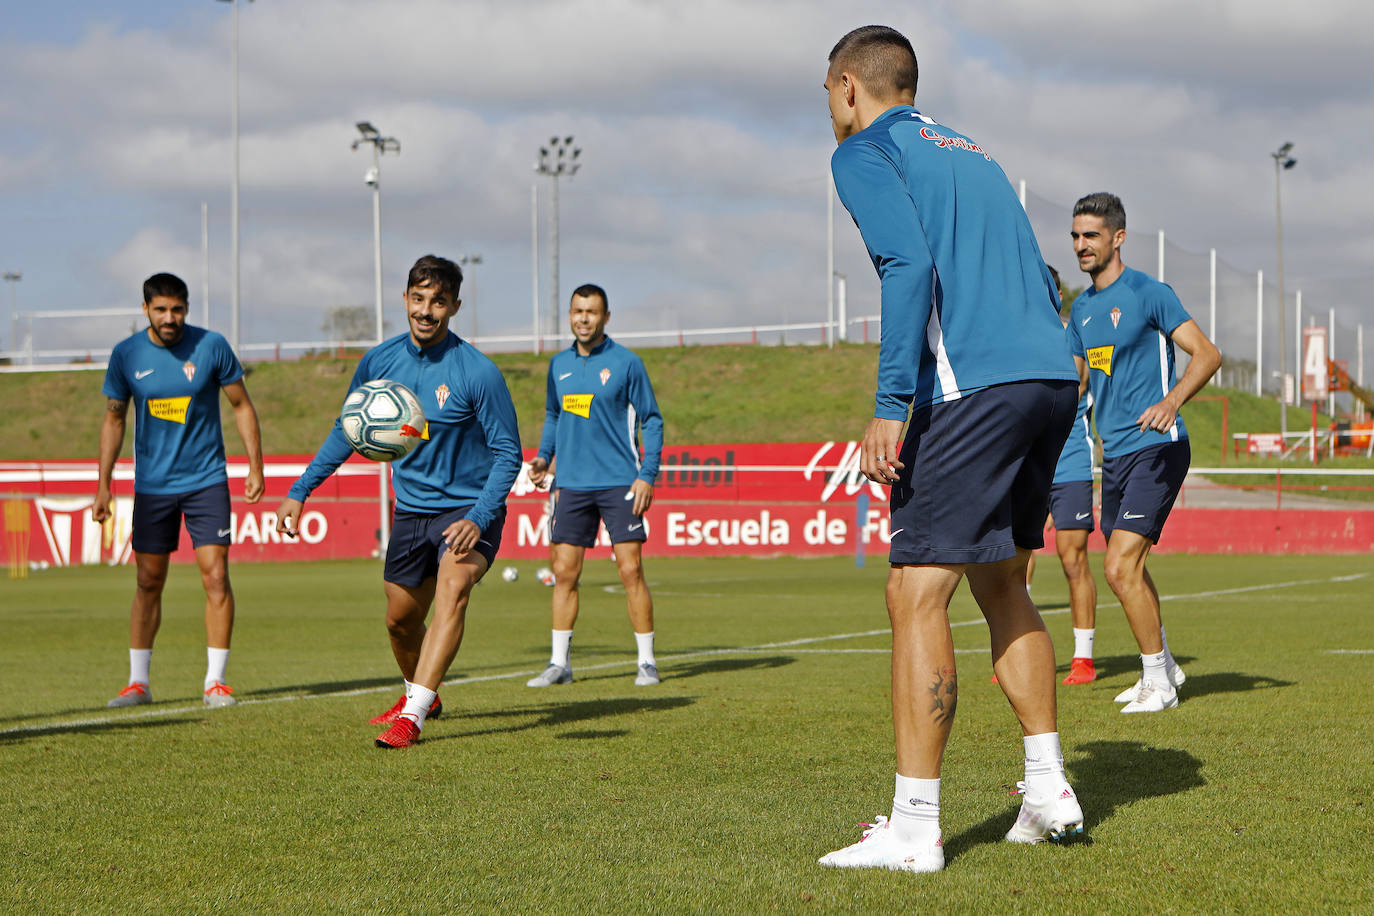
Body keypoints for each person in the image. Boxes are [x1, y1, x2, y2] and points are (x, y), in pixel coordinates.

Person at [817, 26, 1084, 874]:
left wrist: (890, 403)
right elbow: (1038, 275)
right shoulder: (974, 153)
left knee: (914, 591)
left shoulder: (865, 151)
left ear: (848, 85)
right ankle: (1048, 787)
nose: (829, 110)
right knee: (1002, 581)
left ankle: (914, 827)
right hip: (1049, 377)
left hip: (973, 386)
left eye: (827, 95)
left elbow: (907, 265)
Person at [274, 255, 521, 748]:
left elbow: (508, 453)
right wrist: (300, 490)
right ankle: (423, 692)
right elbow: (348, 430)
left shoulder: (478, 372)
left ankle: (412, 716)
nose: (426, 310)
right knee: (400, 622)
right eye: (418, 298)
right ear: (405, 299)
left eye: (438, 301)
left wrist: (479, 517)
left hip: (468, 510)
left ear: (454, 306)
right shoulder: (379, 362)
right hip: (410, 510)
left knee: (454, 588)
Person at [1067, 192, 1221, 713]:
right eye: (1075, 236)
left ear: (1118, 237)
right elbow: (1076, 381)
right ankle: (1164, 666)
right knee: (1129, 566)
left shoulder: (1149, 293)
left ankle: (1158, 682)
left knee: (1118, 566)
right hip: (1114, 456)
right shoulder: (1081, 310)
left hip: (1157, 448)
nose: (1081, 244)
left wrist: (1171, 400)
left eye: (1091, 235)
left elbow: (1207, 354)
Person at [97, 272, 264, 709]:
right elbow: (114, 419)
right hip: (153, 486)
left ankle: (216, 682)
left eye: (177, 309)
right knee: (148, 580)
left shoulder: (212, 346)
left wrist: (255, 466)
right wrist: (103, 485)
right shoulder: (126, 355)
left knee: (216, 575)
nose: (169, 318)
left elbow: (242, 405)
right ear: (145, 309)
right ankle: (138, 684)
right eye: (160, 309)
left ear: (187, 308)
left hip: (206, 480)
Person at [525, 284, 665, 688]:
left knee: (630, 570)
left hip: (620, 481)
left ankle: (646, 663)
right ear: (570, 315)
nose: (583, 318)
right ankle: (560, 664)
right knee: (564, 573)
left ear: (606, 317)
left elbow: (652, 420)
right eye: (577, 311)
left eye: (591, 311)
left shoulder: (627, 363)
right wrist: (543, 458)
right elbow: (553, 416)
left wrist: (647, 475)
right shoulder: (558, 365)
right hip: (571, 484)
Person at [1042, 266, 1101, 685]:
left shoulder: (1073, 336)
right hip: (1027, 464)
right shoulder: (1012, 337)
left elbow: (1078, 381)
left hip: (1070, 462)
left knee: (1072, 558)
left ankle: (1083, 659)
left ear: (1058, 293)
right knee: (1012, 561)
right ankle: (1016, 653)